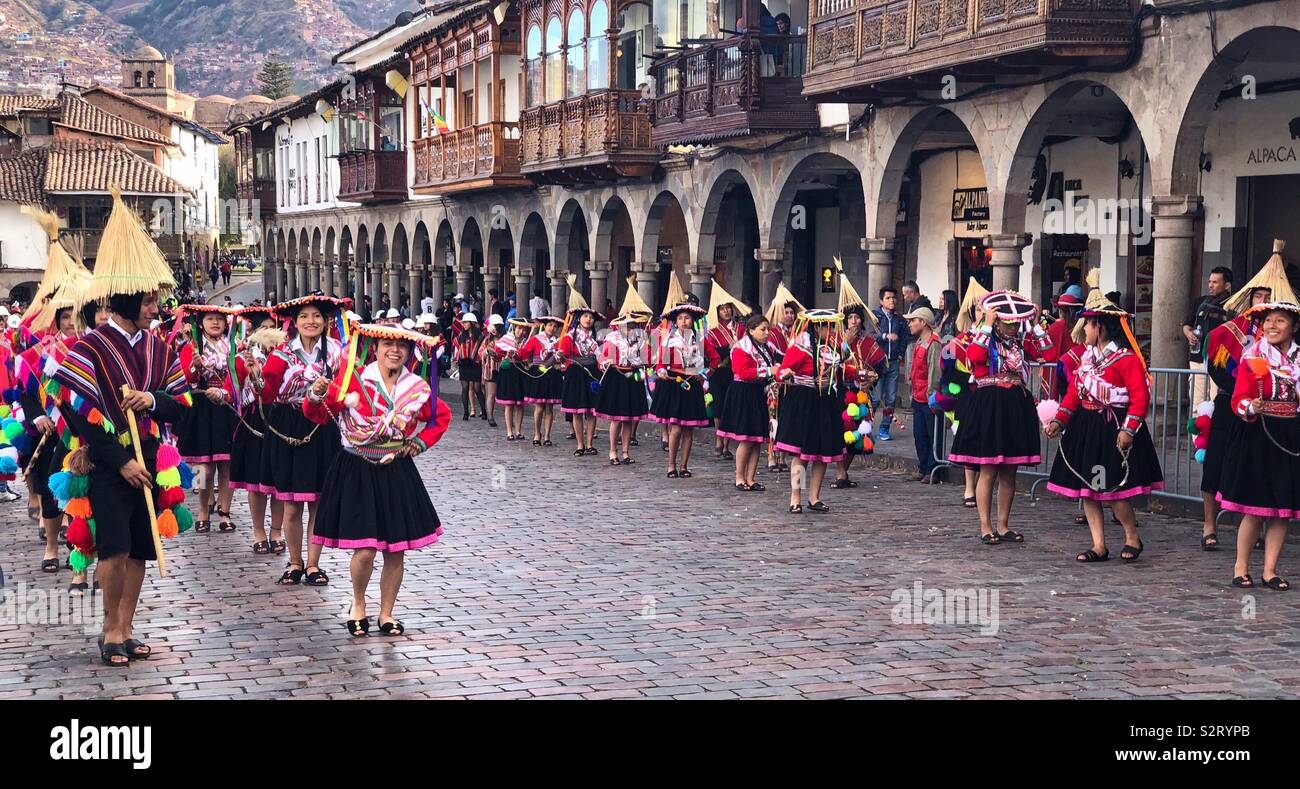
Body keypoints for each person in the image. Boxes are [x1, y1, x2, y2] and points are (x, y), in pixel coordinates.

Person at [53, 188, 194, 666]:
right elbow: (76, 413)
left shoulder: (159, 350)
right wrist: (123, 460)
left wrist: (152, 399)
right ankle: (110, 629)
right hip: (112, 464)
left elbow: (181, 405)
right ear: (129, 301)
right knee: (112, 548)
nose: (156, 308)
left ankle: (129, 626)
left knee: (140, 550)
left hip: (153, 460)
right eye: (150, 301)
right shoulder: (89, 347)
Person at [304, 323, 451, 636]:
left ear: (410, 353)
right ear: (375, 348)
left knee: (394, 548)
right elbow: (317, 413)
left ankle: (387, 613)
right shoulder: (354, 380)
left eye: (402, 346)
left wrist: (420, 442)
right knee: (366, 549)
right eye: (388, 345)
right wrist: (316, 394)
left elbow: (440, 416)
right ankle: (359, 604)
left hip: (396, 468)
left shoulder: (416, 386)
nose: (395, 351)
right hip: (357, 467)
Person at [1044, 295, 1163, 564]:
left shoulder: (1126, 360)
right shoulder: (1086, 361)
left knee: (1111, 490)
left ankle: (1132, 535)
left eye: (1086, 325)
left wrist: (1128, 430)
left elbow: (1139, 397)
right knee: (1089, 488)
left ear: (1100, 327)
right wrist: (1059, 420)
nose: (1083, 330)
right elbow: (1074, 395)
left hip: (1113, 427)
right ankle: (1099, 545)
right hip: (1087, 428)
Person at [1199, 243, 1295, 550]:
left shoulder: (1291, 346)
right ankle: (1209, 524)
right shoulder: (1228, 333)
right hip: (1234, 404)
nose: (1263, 303)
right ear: (1250, 298)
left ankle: (1266, 533)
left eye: (1270, 299)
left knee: (1270, 475)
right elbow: (1216, 369)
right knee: (1217, 463)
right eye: (1259, 296)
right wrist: (1247, 388)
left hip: (1278, 418)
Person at [245, 294, 346, 587]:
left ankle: (314, 563)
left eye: (316, 316)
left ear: (326, 321)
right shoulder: (281, 354)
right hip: (288, 425)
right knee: (291, 504)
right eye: (304, 317)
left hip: (321, 425)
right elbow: (266, 394)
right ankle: (294, 561)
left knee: (317, 501)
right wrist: (255, 376)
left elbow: (344, 389)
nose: (311, 322)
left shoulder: (337, 353)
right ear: (295, 322)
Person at [948, 290, 1053, 544]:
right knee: (988, 469)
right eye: (1008, 323)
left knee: (1009, 471)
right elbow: (973, 357)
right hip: (990, 405)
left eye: (1016, 323)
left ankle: (1004, 524)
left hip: (1015, 405)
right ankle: (985, 525)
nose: (1013, 327)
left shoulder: (1020, 341)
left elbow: (1048, 353)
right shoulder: (983, 337)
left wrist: (1036, 324)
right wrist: (985, 324)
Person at [1214, 300, 1300, 591]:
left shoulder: (1299, 360)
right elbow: (1238, 398)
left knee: (1282, 508)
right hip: (1258, 434)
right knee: (1256, 507)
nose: (1272, 326)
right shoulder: (1253, 357)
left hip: (1290, 437)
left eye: (1280, 321)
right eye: (1268, 321)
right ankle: (1241, 566)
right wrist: (1252, 404)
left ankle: (1270, 570)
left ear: (1294, 327)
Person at [775, 309, 866, 513]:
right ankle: (795, 497)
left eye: (832, 326)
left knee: (822, 451)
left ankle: (814, 497)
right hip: (804, 401)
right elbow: (784, 368)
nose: (831, 330)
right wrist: (785, 373)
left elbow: (840, 370)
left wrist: (861, 373)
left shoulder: (831, 347)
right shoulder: (801, 346)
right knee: (802, 453)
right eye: (827, 326)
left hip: (825, 401)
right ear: (816, 327)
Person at [175, 305, 238, 534]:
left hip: (227, 406)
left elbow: (238, 374)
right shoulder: (191, 347)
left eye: (220, 319)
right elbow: (182, 378)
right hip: (203, 407)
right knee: (204, 467)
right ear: (200, 323)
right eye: (210, 319)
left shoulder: (233, 346)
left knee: (227, 464)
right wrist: (195, 368)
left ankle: (224, 511)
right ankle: (203, 509)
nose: (215, 323)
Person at [229, 305, 282, 555]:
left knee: (280, 480)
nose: (269, 333)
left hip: (281, 420)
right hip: (255, 420)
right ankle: (259, 531)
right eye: (264, 329)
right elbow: (236, 393)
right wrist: (252, 375)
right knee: (256, 481)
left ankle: (277, 530)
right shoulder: (243, 358)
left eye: (273, 328)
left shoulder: (286, 356)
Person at [718, 313, 778, 491]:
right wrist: (769, 371)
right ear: (751, 330)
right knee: (746, 438)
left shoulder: (768, 348)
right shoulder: (740, 348)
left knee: (757, 438)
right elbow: (743, 372)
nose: (767, 333)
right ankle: (739, 477)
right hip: (743, 393)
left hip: (758, 393)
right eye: (762, 329)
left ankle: (751, 478)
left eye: (768, 329)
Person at [650, 303, 710, 478]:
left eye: (687, 318)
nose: (684, 322)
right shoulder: (669, 339)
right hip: (674, 384)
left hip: (692, 384)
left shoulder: (700, 339)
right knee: (675, 429)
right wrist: (661, 371)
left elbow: (713, 360)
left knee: (689, 430)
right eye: (680, 318)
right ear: (675, 321)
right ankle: (671, 465)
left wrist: (704, 374)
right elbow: (660, 362)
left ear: (692, 321)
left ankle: (684, 466)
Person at [832, 304, 885, 489]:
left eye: (857, 317)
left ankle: (844, 471)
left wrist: (870, 381)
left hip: (860, 395)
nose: (854, 321)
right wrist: (844, 344)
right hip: (840, 393)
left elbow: (880, 366)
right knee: (841, 434)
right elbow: (831, 365)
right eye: (850, 318)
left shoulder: (869, 342)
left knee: (857, 436)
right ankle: (840, 472)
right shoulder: (836, 340)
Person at [596, 314, 650, 465]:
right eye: (627, 325)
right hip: (617, 378)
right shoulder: (612, 339)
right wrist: (607, 362)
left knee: (629, 419)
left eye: (632, 325)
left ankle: (626, 452)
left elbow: (647, 357)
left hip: (632, 378)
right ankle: (613, 451)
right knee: (617, 419)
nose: (630, 328)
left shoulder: (640, 340)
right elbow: (603, 358)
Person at [1183, 267, 1233, 404]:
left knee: (1215, 398)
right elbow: (1187, 325)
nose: (1210, 285)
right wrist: (1189, 334)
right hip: (1197, 356)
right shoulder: (1200, 301)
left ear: (1227, 285)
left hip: (1219, 360)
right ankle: (1194, 424)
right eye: (1210, 281)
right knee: (1196, 400)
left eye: (1215, 282)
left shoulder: (1233, 304)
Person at [904, 306, 942, 483]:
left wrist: (931, 396)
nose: (910, 324)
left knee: (931, 434)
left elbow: (934, 372)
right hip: (918, 396)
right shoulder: (919, 341)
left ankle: (932, 469)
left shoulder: (933, 343)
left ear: (923, 322)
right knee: (919, 435)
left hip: (928, 398)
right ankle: (923, 466)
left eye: (913, 320)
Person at [557, 307, 602, 457]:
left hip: (592, 373)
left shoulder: (596, 338)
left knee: (591, 411)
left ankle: (589, 444)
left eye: (590, 317)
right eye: (585, 316)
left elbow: (600, 357)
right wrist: (560, 356)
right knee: (577, 410)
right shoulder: (570, 336)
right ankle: (580, 444)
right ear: (579, 319)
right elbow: (563, 354)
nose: (588, 319)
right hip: (575, 372)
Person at [706, 301, 741, 461]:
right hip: (718, 372)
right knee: (718, 406)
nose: (726, 311)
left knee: (730, 406)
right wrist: (728, 347)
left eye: (728, 308)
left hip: (733, 372)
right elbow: (710, 352)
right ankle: (719, 439)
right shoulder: (713, 330)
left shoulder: (741, 329)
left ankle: (727, 444)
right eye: (722, 309)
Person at [872, 286, 906, 441]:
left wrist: (900, 354)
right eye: (888, 298)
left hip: (893, 363)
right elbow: (870, 335)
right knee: (875, 397)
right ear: (881, 301)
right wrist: (885, 336)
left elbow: (904, 338)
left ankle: (884, 428)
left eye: (894, 298)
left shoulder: (899, 319)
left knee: (891, 398)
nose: (892, 300)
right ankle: (866, 426)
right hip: (878, 362)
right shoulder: (874, 316)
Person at [495, 318, 533, 440]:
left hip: (520, 371)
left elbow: (527, 355)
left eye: (523, 329)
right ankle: (509, 431)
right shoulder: (506, 339)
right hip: (508, 372)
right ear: (514, 328)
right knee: (509, 404)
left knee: (520, 404)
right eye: (519, 328)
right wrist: (507, 353)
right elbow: (498, 352)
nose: (521, 332)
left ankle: (518, 430)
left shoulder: (526, 342)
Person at [452, 313, 484, 420]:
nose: (464, 324)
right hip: (464, 364)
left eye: (466, 322)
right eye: (463, 322)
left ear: (472, 323)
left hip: (475, 363)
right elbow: (455, 344)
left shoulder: (480, 335)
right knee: (464, 388)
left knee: (477, 388)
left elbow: (481, 348)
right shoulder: (461, 335)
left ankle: (484, 411)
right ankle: (466, 413)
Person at [480, 313, 505, 427]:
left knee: (506, 394)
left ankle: (508, 417)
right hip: (491, 368)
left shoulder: (505, 338)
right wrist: (487, 351)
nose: (494, 330)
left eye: (496, 327)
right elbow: (481, 352)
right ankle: (490, 417)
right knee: (491, 393)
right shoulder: (487, 339)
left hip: (503, 367)